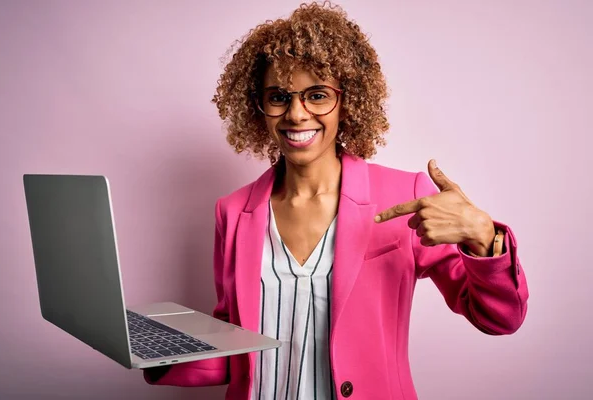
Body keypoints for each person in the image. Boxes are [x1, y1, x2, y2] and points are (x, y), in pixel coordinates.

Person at [144, 2, 529, 399]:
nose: (296, 113)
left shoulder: (406, 198)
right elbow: (237, 345)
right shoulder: (232, 212)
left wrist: (485, 239)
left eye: (316, 95)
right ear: (258, 106)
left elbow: (500, 318)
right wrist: (153, 350)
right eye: (279, 96)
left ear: (347, 101)